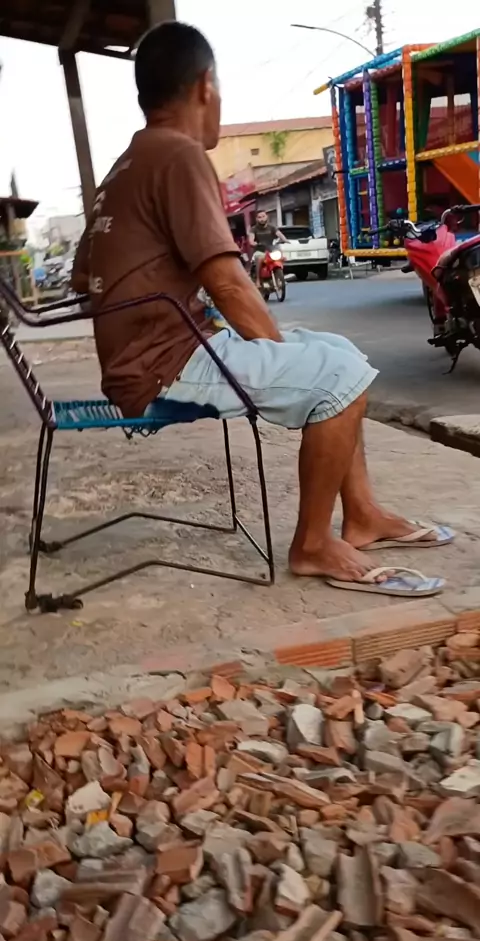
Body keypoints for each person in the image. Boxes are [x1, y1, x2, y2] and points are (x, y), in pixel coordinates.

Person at [72, 21, 453, 595]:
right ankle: (313, 545)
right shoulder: (177, 154)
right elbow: (226, 282)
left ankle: (363, 515)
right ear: (205, 86)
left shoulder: (126, 164)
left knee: (338, 352)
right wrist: (280, 357)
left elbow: (84, 276)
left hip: (158, 350)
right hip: (165, 363)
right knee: (338, 377)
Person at [249, 210, 287, 288]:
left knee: (281, 257)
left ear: (267, 217)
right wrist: (253, 243)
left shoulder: (272, 227)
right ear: (256, 219)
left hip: (271, 250)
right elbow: (251, 240)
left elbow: (280, 234)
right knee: (259, 258)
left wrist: (284, 239)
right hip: (259, 250)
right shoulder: (254, 229)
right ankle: (258, 280)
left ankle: (281, 277)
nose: (262, 219)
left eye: (263, 216)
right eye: (259, 217)